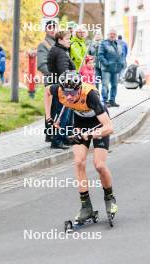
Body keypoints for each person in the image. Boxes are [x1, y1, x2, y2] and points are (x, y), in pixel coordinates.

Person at [45, 70, 118, 223]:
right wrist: (49, 117)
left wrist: (89, 135)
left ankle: (110, 198)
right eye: (66, 93)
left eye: (72, 93)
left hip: (98, 124)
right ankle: (86, 207)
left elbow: (109, 127)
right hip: (80, 123)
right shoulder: (59, 90)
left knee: (99, 165)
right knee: (79, 162)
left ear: (79, 89)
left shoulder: (90, 95)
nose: (69, 97)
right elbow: (47, 92)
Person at [47, 31, 76, 149]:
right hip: (63, 88)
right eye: (68, 39)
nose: (70, 41)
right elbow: (64, 73)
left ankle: (64, 137)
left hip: (59, 86)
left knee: (65, 114)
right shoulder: (60, 53)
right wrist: (72, 83)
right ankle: (57, 140)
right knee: (63, 114)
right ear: (60, 40)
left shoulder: (58, 50)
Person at [37, 20, 58, 142]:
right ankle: (49, 134)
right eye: (50, 27)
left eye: (54, 27)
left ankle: (56, 132)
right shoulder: (43, 44)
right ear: (46, 29)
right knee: (50, 109)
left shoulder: (59, 42)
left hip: (61, 80)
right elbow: (41, 64)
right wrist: (53, 75)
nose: (52, 29)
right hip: (51, 80)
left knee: (57, 108)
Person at [98, 29, 124, 107]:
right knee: (105, 85)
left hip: (117, 69)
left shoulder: (119, 43)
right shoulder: (103, 43)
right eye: (111, 34)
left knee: (115, 85)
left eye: (114, 34)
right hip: (107, 69)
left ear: (116, 35)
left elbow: (122, 54)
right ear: (108, 35)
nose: (112, 35)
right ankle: (105, 101)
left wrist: (122, 63)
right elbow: (100, 55)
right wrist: (107, 63)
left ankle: (112, 101)